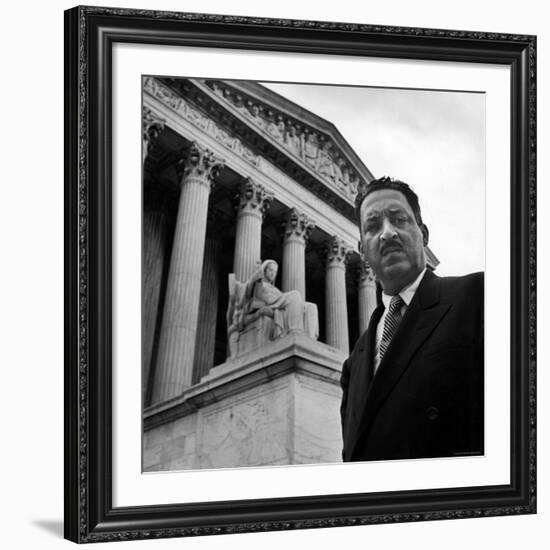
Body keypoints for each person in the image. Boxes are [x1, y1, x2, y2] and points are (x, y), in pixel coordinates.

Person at [340, 176, 484, 462]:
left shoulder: (479, 297)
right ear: (362, 250)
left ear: (424, 234)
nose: (387, 233)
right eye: (372, 226)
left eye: (399, 219)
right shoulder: (354, 361)